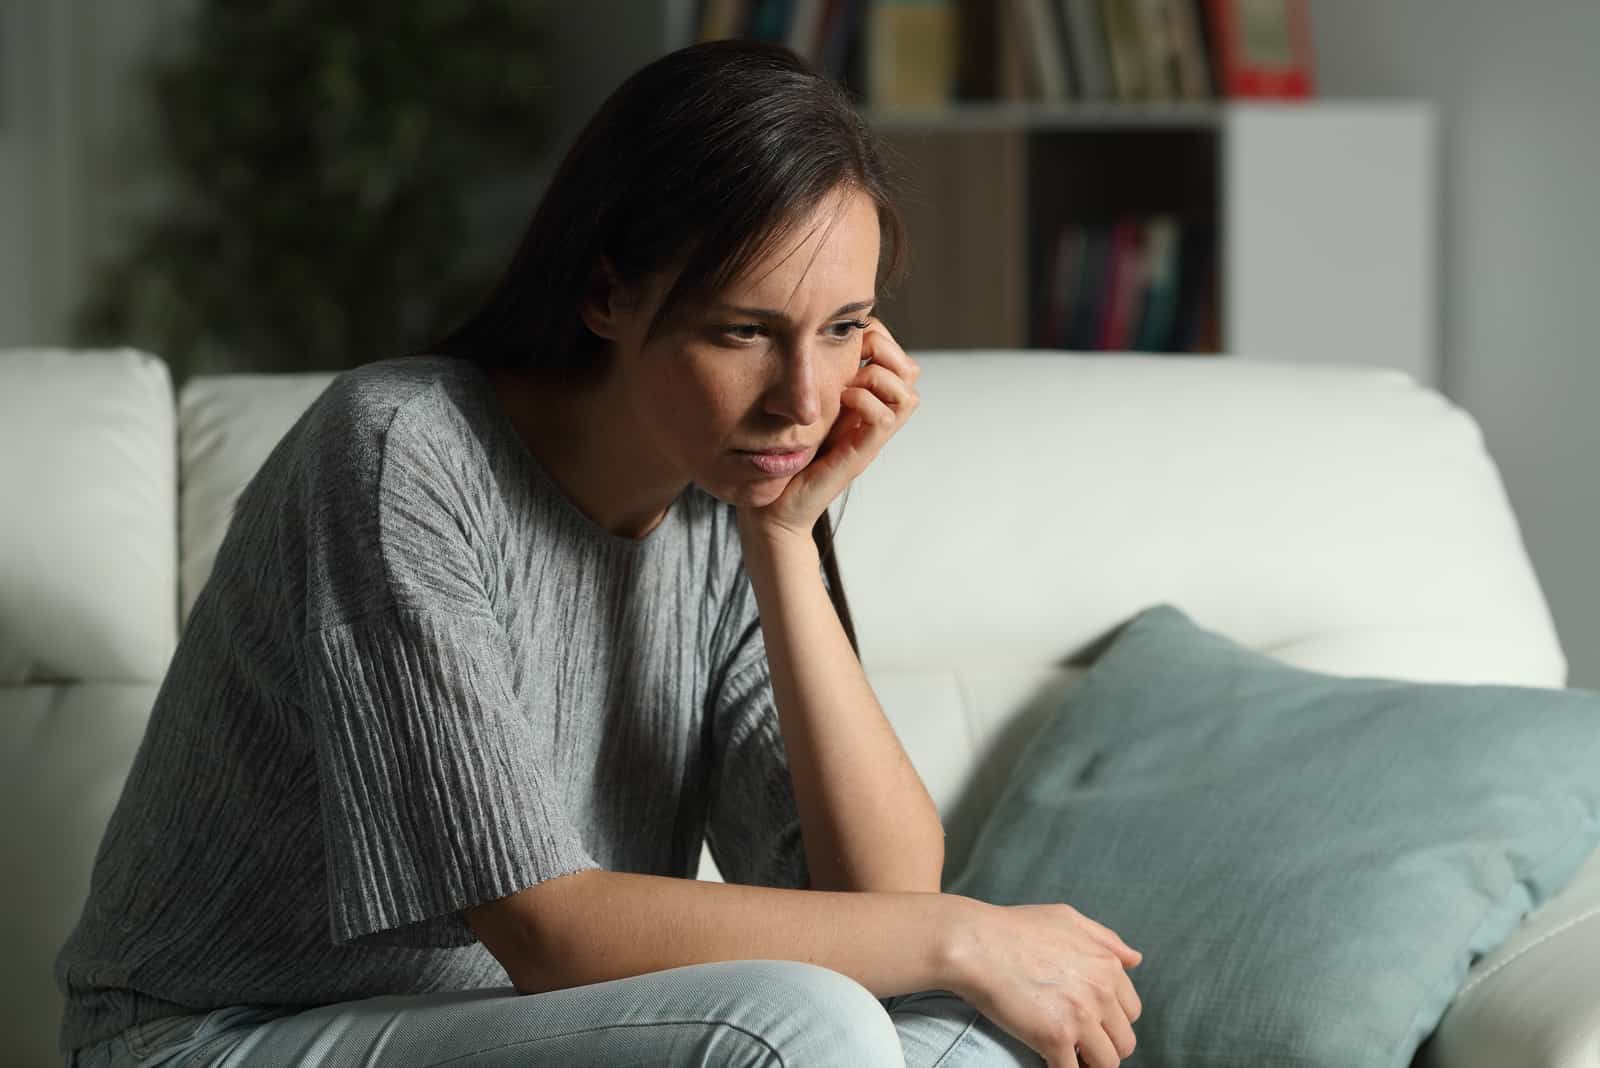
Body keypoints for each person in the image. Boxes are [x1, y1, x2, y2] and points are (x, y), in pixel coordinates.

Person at [53, 38, 1142, 1068]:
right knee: (809, 1022)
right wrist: (962, 937)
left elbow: (882, 896)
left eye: (844, 327)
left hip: (552, 1034)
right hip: (232, 1037)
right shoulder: (401, 452)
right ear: (609, 292)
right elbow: (548, 931)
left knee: (981, 1032)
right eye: (743, 331)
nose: (802, 401)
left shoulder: (734, 494)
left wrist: (781, 537)